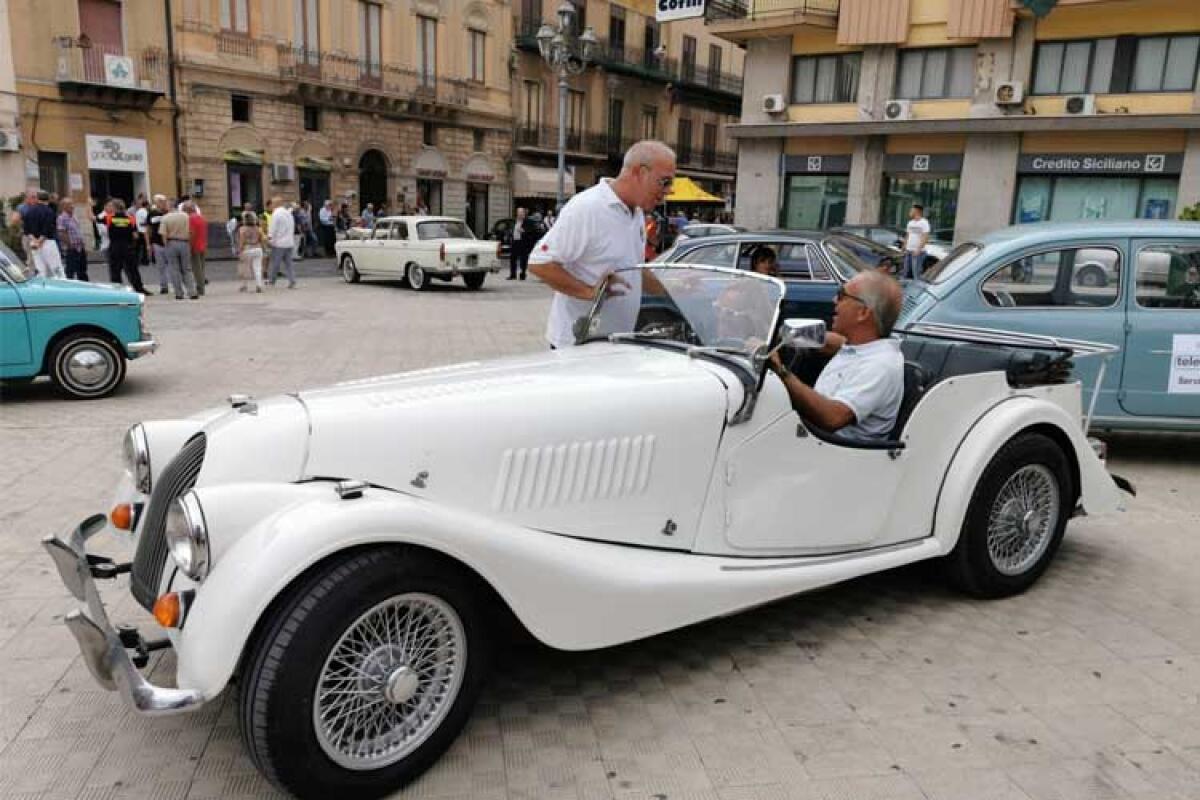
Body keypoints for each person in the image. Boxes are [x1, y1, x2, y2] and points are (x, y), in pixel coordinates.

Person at [528, 140, 676, 349]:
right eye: (665, 182)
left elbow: (634, 266)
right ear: (641, 173)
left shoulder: (636, 213)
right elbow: (539, 263)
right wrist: (589, 292)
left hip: (616, 344)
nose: (669, 191)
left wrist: (675, 293)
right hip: (578, 347)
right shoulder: (587, 207)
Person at [767, 271, 904, 440]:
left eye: (841, 296)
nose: (834, 301)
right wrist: (780, 334)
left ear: (863, 313)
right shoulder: (861, 347)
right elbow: (832, 342)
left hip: (834, 454)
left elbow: (832, 418)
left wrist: (781, 372)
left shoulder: (880, 365)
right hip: (813, 440)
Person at [105, 199, 149, 294]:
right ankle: (139, 288)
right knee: (133, 269)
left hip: (115, 247)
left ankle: (117, 290)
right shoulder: (130, 218)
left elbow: (93, 218)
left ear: (115, 208)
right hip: (128, 247)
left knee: (115, 270)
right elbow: (135, 235)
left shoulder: (109, 218)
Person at [160, 202, 198, 299]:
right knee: (187, 269)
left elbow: (163, 234)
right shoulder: (185, 216)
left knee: (174, 269)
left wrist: (166, 245)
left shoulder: (165, 218)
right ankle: (192, 292)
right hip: (184, 243)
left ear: (169, 207)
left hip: (171, 243)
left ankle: (179, 293)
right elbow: (191, 231)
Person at [23, 191, 65, 279]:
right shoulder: (49, 211)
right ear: (48, 199)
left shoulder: (29, 211)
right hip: (48, 243)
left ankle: (40, 289)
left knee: (40, 270)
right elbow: (48, 228)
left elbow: (26, 230)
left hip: (33, 243)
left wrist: (35, 240)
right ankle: (62, 288)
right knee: (57, 269)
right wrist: (40, 241)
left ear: (38, 199)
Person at [268, 196, 297, 288]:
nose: (271, 205)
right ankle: (292, 280)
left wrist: (270, 238)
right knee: (289, 263)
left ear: (276, 204)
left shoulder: (276, 214)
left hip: (279, 243)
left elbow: (273, 228)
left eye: (272, 203)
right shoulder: (288, 213)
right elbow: (292, 226)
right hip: (289, 242)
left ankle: (272, 280)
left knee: (275, 263)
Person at [56, 198, 88, 281]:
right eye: (69, 205)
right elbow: (61, 233)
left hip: (80, 247)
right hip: (72, 248)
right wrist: (69, 244)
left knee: (82, 270)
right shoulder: (62, 218)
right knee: (70, 270)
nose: (72, 206)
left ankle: (85, 287)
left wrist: (83, 244)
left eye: (72, 204)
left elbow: (78, 231)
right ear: (63, 207)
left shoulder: (73, 217)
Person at [148, 195, 171, 293]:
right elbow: (149, 226)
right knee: (161, 266)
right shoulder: (152, 213)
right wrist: (149, 243)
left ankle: (175, 284)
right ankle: (164, 286)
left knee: (172, 265)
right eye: (159, 202)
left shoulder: (170, 213)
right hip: (157, 242)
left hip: (169, 241)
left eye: (163, 201)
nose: (161, 203)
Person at [237, 212, 265, 293]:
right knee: (258, 268)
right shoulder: (258, 228)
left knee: (245, 268)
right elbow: (261, 240)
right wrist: (264, 248)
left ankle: (244, 286)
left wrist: (239, 250)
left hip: (248, 249)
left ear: (245, 220)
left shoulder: (242, 229)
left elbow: (242, 241)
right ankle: (259, 285)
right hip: (258, 248)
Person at [903, 203, 930, 281]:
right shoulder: (910, 223)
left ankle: (918, 291)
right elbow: (907, 235)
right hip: (909, 250)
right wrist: (904, 246)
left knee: (916, 273)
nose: (910, 211)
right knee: (905, 271)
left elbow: (925, 237)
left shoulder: (924, 222)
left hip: (918, 252)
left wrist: (918, 249)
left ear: (917, 211)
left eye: (911, 210)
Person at [186, 201, 208, 295]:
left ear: (188, 209)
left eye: (184, 209)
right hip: (203, 244)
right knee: (201, 268)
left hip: (195, 245)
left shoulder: (191, 218)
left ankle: (200, 288)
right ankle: (201, 286)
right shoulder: (201, 218)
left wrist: (189, 245)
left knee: (196, 269)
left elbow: (191, 233)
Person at [509, 207, 534, 281]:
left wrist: (524, 231)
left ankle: (523, 274)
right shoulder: (515, 221)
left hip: (523, 242)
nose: (519, 214)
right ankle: (513, 274)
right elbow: (512, 230)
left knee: (523, 259)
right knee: (512, 258)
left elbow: (531, 231)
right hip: (515, 241)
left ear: (524, 213)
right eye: (518, 212)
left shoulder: (528, 221)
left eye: (521, 212)